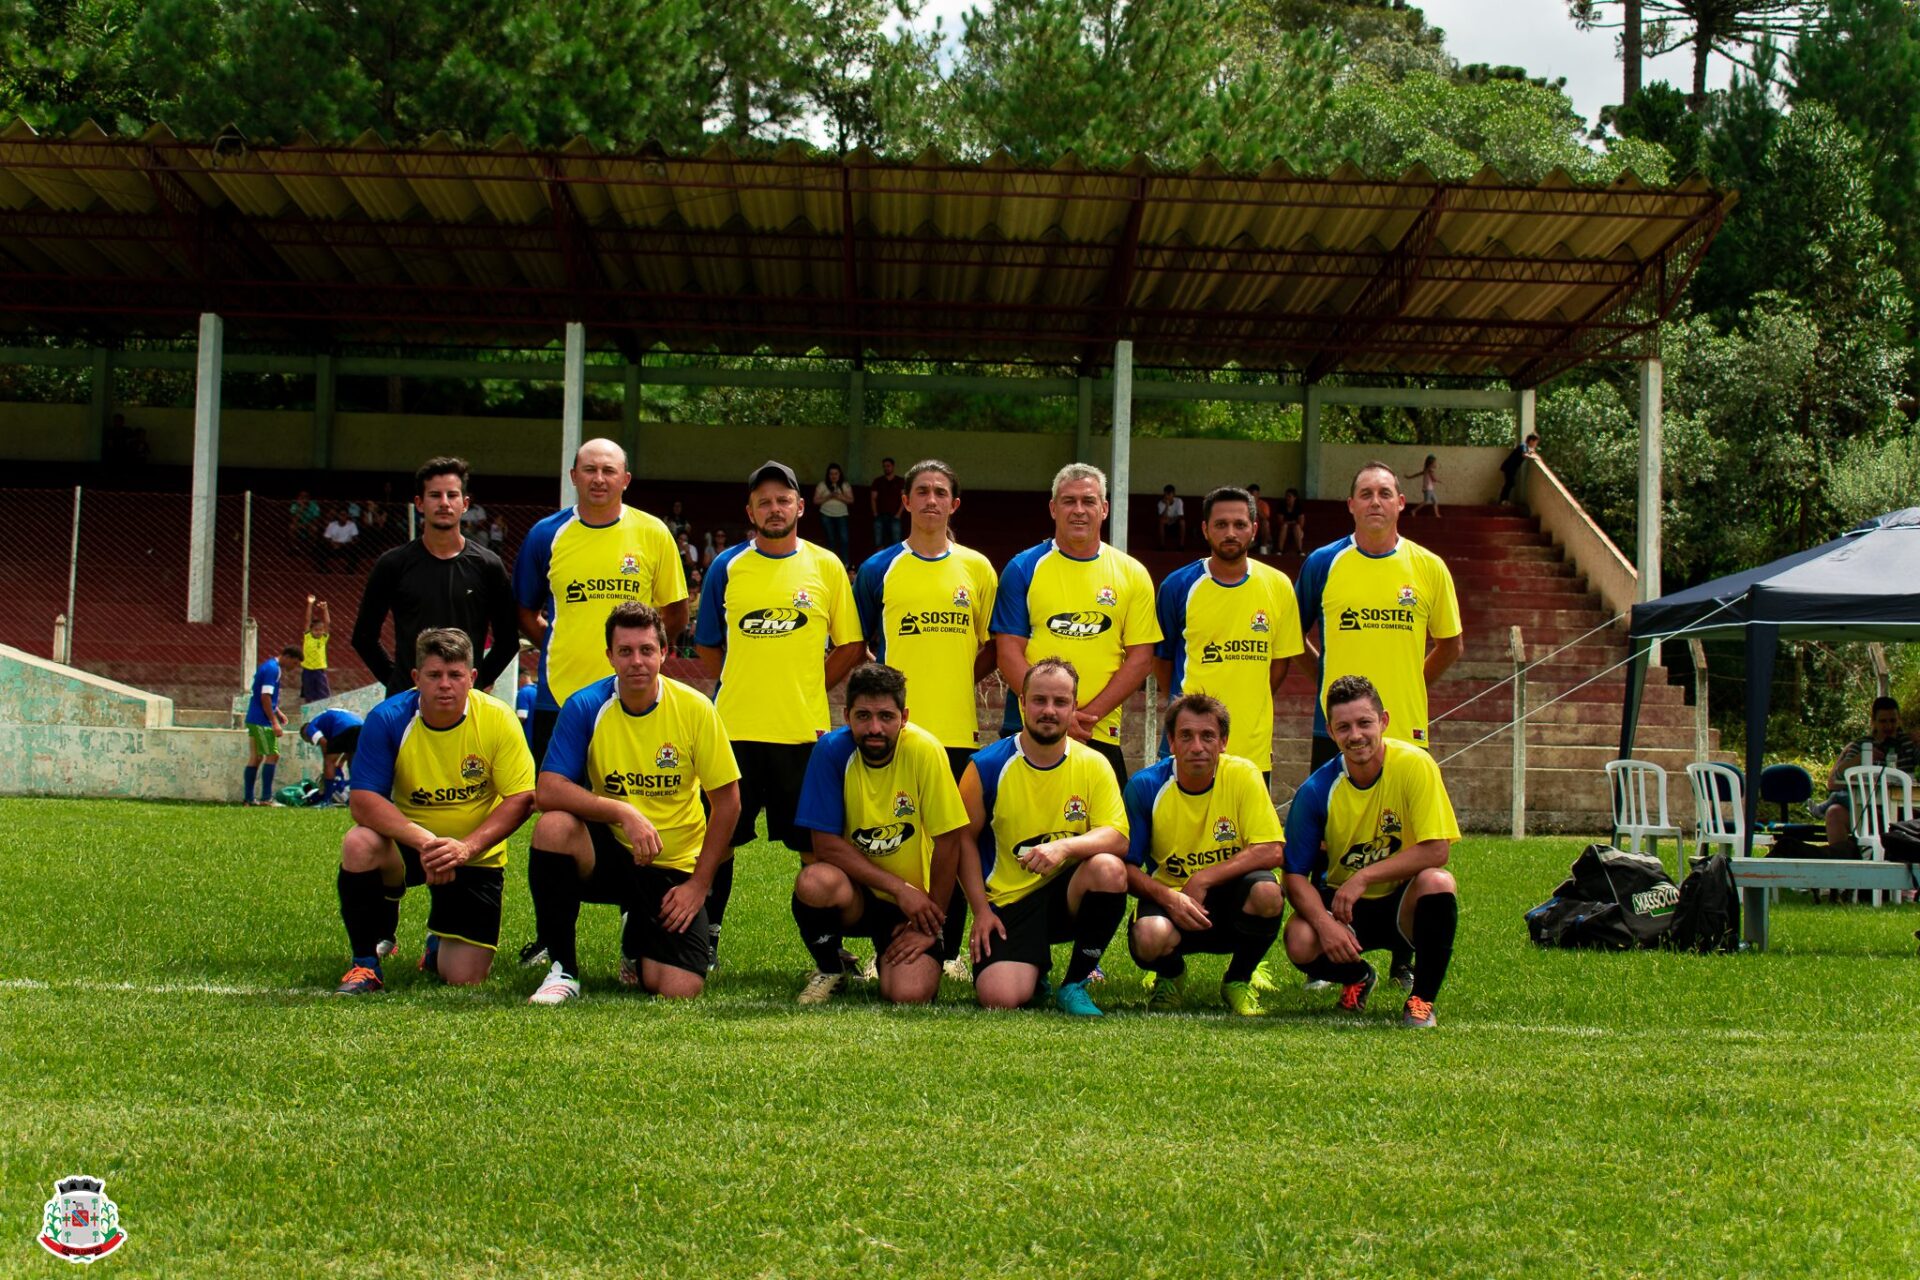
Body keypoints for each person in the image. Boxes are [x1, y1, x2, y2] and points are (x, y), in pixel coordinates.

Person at [1296, 462, 1461, 989]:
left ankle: (1403, 957)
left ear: (1400, 504)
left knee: (1406, 844)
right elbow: (1295, 637)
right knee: (1331, 844)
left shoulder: (1429, 567)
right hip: (1338, 732)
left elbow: (1450, 643)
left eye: (1385, 493)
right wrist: (1327, 682)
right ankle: (1334, 949)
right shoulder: (1323, 563)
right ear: (1350, 504)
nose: (1374, 501)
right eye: (1364, 493)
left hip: (1405, 731)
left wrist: (1410, 685)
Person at [526, 602, 742, 1004]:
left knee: (679, 989)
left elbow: (728, 803)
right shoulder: (585, 706)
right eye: (624, 651)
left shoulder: (696, 710)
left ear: (664, 652)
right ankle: (563, 971)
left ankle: (638, 936)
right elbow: (549, 790)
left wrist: (698, 885)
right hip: (610, 854)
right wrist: (623, 812)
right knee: (553, 826)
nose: (636, 661)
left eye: (646, 650)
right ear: (609, 656)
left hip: (671, 865)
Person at [696, 460, 865, 969]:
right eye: (764, 501)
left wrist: (809, 683)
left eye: (783, 499)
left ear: (800, 507)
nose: (774, 508)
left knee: (816, 850)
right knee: (719, 840)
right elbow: (707, 647)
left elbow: (852, 643)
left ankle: (827, 952)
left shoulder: (826, 566)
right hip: (734, 732)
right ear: (751, 511)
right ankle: (706, 940)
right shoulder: (727, 566)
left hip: (803, 734)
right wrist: (747, 681)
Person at [853, 459, 998, 975]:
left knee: (953, 839)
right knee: (896, 835)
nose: (931, 500)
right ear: (906, 502)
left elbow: (991, 648)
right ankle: (885, 944)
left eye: (941, 492)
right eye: (922, 491)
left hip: (957, 728)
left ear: (954, 504)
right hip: (892, 732)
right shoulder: (878, 569)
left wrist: (958, 677)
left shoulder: (978, 569)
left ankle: (950, 950)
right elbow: (861, 644)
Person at [332, 629, 536, 995]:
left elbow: (521, 798)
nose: (445, 685)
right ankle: (365, 964)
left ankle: (437, 943)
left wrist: (465, 848)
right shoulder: (388, 718)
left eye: (455, 675)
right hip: (412, 846)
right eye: (434, 675)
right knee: (359, 842)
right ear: (416, 678)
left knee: (464, 978)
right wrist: (427, 842)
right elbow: (363, 801)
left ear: (472, 679)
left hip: (474, 855)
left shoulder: (498, 719)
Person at [1280, 675, 1459, 1028]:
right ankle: (1358, 977)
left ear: (1385, 722)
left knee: (1438, 882)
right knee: (1299, 938)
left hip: (1400, 901)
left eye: (1365, 723)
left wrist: (1364, 876)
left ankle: (1421, 1001)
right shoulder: (1316, 790)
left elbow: (1437, 849)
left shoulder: (1415, 765)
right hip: (1345, 911)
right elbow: (1294, 876)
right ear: (1331, 733)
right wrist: (1323, 924)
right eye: (1343, 727)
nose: (1356, 735)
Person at [958, 657, 1131, 1017]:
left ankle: (1076, 983)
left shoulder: (1094, 763)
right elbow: (963, 842)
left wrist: (1063, 847)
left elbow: (1117, 837)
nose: (1048, 711)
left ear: (1074, 707)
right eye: (1039, 700)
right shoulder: (986, 766)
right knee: (1000, 998)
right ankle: (1034, 970)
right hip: (1009, 903)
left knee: (1109, 869)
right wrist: (980, 910)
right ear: (1021, 703)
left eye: (1060, 702)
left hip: (1067, 896)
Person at [790, 663, 968, 1005]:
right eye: (864, 716)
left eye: (886, 716)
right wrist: (897, 888)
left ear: (904, 716)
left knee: (909, 994)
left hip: (913, 906)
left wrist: (929, 922)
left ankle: (891, 956)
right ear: (846, 715)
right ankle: (831, 968)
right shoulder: (830, 752)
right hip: (858, 896)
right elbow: (825, 846)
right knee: (814, 881)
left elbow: (949, 841)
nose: (875, 728)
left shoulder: (925, 751)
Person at [511, 439, 689, 768]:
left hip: (633, 696)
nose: (598, 478)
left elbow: (676, 611)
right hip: (560, 695)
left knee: (635, 798)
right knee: (560, 808)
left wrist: (650, 655)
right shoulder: (545, 534)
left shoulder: (653, 533)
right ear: (573, 475)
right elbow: (524, 610)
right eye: (589, 470)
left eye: (609, 470)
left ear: (626, 479)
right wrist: (554, 644)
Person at [991, 462, 1160, 792]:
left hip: (1097, 730)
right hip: (1029, 730)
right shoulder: (1023, 567)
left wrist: (1079, 718)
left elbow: (1141, 659)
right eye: (1069, 501)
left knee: (1107, 839)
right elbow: (1008, 653)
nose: (1079, 510)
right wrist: (1055, 714)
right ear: (1054, 508)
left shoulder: (1132, 574)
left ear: (1105, 508)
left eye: (1089, 501)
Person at [1124, 694, 1286, 1016]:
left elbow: (1271, 849)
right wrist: (1170, 899)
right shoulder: (1145, 787)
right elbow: (1125, 868)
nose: (1197, 746)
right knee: (1148, 936)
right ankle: (1171, 976)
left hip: (1230, 902)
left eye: (1207, 736)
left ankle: (1238, 980)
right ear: (1171, 741)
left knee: (1267, 892)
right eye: (1186, 735)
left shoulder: (1244, 775)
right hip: (1174, 901)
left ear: (1223, 742)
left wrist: (1204, 878)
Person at [1154, 486, 1304, 786]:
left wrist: (1249, 699)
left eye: (1240, 524)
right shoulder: (1178, 586)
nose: (1231, 532)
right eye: (1221, 525)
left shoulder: (1279, 586)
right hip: (1189, 747)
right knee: (1182, 832)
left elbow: (1279, 664)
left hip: (1252, 748)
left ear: (1254, 529)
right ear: (1205, 530)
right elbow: (1162, 663)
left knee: (1247, 834)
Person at [351, 457, 519, 700]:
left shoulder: (488, 565)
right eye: (434, 495)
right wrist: (398, 683)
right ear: (419, 503)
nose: (444, 503)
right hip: (408, 702)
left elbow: (508, 641)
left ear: (465, 503)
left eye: (452, 495)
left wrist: (478, 681)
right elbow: (363, 637)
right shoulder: (393, 564)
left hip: (467, 701)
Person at [1817, 696, 1920, 844]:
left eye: (1893, 721)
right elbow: (1838, 776)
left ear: (1899, 721)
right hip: (1869, 809)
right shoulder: (1862, 744)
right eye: (1883, 721)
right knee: (1834, 813)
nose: (1888, 726)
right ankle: (1841, 860)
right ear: (1874, 722)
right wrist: (1859, 759)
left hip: (1904, 812)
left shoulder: (1908, 742)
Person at [242, 645, 302, 806]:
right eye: (295, 663)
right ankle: (266, 798)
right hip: (262, 721)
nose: (294, 667)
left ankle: (248, 799)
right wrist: (274, 722)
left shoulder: (268, 666)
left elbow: (266, 697)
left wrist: (278, 711)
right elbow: (265, 697)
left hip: (253, 717)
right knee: (272, 755)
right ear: (287, 657)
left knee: (256, 757)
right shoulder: (273, 670)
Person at [300, 706, 364, 806]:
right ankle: (354, 799)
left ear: (306, 735)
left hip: (343, 728)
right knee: (353, 765)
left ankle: (327, 800)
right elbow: (347, 748)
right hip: (361, 726)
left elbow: (324, 743)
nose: (313, 743)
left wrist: (327, 767)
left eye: (310, 741)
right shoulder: (324, 720)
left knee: (329, 763)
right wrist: (341, 761)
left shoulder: (310, 728)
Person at [814, 462, 856, 565]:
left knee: (844, 539)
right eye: (831, 474)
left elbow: (851, 500)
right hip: (826, 514)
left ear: (839, 474)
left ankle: (845, 563)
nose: (833, 476)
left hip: (841, 515)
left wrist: (838, 496)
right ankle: (831, 563)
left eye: (836, 474)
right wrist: (829, 496)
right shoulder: (822, 485)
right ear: (828, 475)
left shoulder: (845, 485)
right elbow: (815, 501)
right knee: (830, 540)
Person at [869, 456, 905, 550]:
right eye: (884, 466)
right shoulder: (878, 481)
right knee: (879, 541)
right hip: (880, 515)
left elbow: (904, 499)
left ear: (893, 467)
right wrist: (875, 514)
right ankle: (879, 562)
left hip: (895, 516)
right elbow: (873, 498)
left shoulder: (900, 481)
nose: (886, 468)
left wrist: (899, 514)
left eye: (888, 466)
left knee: (896, 542)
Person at [301, 596, 331, 704]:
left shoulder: (323, 639)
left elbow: (327, 622)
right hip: (307, 669)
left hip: (319, 670)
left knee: (323, 695)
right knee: (309, 695)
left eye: (320, 630)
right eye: (316, 630)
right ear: (311, 630)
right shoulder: (308, 636)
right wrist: (310, 604)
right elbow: (307, 619)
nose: (318, 632)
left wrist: (325, 609)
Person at [1498, 433, 1539, 505]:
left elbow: (1526, 452)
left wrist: (1531, 452)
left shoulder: (1525, 447)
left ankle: (1504, 499)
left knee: (1510, 483)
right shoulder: (1523, 446)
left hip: (1511, 468)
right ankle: (1503, 500)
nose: (1535, 444)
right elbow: (1524, 454)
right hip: (1509, 467)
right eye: (1535, 442)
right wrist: (1534, 457)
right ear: (1531, 441)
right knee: (1509, 483)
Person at [514, 641, 538, 749]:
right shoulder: (538, 690)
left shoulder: (523, 692)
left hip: (527, 741)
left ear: (521, 677)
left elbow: (522, 716)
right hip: (538, 738)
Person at [322, 506, 362, 570]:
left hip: (346, 546)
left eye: (345, 515)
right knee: (320, 546)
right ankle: (323, 568)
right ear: (338, 515)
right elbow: (326, 538)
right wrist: (332, 543)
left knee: (357, 548)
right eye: (341, 515)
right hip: (333, 546)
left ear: (347, 516)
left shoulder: (352, 524)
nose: (343, 517)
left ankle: (350, 568)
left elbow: (356, 539)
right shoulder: (332, 524)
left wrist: (344, 544)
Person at [1405, 455, 1440, 519]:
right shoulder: (1430, 470)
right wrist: (1438, 480)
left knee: (1435, 501)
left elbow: (1417, 474)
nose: (1435, 464)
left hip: (1429, 488)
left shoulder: (1426, 470)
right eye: (1435, 462)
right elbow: (1433, 479)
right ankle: (1414, 510)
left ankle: (1437, 514)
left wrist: (1409, 477)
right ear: (1431, 463)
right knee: (1426, 501)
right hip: (1428, 489)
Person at [1277, 487, 1307, 554]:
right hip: (1283, 528)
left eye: (1289, 496)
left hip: (1296, 529)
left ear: (1295, 498)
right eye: (1286, 496)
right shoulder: (1282, 505)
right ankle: (1280, 550)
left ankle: (1299, 551)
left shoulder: (1299, 506)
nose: (1287, 498)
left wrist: (1293, 524)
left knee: (1297, 527)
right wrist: (1290, 522)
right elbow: (1280, 521)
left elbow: (1301, 523)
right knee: (1284, 526)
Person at [1156, 485, 1186, 550]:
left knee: (1182, 522)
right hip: (1166, 523)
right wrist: (1167, 506)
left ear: (1173, 494)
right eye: (1166, 494)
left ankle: (1181, 545)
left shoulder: (1179, 501)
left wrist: (1172, 520)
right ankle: (1162, 546)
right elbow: (1162, 517)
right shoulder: (1160, 503)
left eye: (1170, 494)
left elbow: (1181, 516)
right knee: (1161, 521)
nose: (1168, 496)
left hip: (1175, 522)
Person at [1248, 483, 1273, 555]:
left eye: (1254, 495)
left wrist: (1255, 506)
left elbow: (1265, 518)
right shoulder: (1244, 504)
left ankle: (1263, 547)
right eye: (1251, 494)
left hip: (1261, 532)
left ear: (1258, 495)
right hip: (1250, 532)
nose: (1252, 497)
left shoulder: (1263, 504)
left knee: (1266, 523)